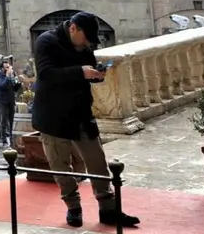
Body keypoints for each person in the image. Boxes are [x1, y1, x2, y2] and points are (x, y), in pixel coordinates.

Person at [32, 12, 140, 228]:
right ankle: (73, 208)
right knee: (60, 165)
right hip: (53, 116)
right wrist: (80, 72)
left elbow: (87, 73)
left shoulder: (85, 48)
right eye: (86, 37)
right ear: (73, 28)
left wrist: (97, 76)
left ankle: (108, 210)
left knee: (97, 162)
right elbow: (45, 74)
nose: (88, 43)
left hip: (81, 113)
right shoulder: (46, 41)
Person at [0, 61, 22, 146]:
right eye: (6, 67)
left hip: (11, 100)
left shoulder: (12, 75)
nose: (9, 69)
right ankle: (4, 140)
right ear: (2, 68)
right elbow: (2, 85)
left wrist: (18, 83)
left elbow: (15, 88)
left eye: (9, 67)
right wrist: (8, 77)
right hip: (2, 101)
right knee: (3, 120)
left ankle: (12, 139)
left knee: (12, 120)